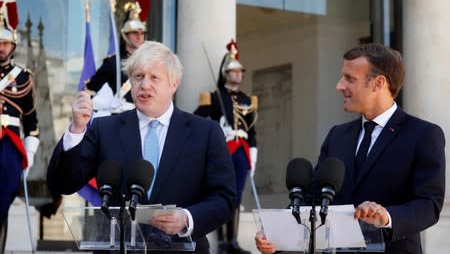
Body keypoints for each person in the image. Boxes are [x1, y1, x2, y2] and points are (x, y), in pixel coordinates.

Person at [47, 41, 236, 253]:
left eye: (154, 77)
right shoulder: (104, 129)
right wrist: (76, 129)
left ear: (174, 83)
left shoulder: (205, 132)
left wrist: (187, 219)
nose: (144, 85)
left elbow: (224, 199)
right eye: (138, 77)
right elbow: (62, 183)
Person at [255, 43, 445, 254]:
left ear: (378, 83)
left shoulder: (422, 134)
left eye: (350, 79)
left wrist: (386, 216)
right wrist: (276, 235)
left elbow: (429, 205)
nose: (339, 86)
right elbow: (314, 198)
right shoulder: (338, 135)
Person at [194, 39, 258, 254]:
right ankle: (222, 242)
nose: (238, 74)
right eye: (233, 71)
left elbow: (252, 131)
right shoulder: (213, 97)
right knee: (223, 194)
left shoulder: (247, 100)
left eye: (240, 71)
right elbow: (197, 120)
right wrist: (218, 129)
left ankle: (232, 240)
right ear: (224, 72)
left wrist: (253, 155)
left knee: (237, 196)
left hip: (242, 150)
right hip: (224, 150)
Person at [0, 1, 39, 252]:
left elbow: (32, 124)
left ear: (12, 45)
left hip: (9, 148)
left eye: (5, 43)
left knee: (1, 205)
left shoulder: (22, 77)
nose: (1, 48)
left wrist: (30, 155)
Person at [84, 1, 146, 103]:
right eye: (134, 32)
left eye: (142, 33)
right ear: (125, 35)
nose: (139, 36)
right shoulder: (113, 62)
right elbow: (92, 90)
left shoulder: (148, 62)